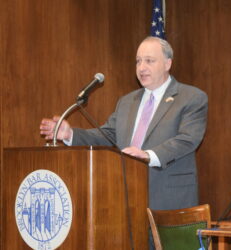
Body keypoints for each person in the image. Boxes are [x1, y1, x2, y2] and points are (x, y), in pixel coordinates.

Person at [40, 36, 208, 212]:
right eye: (138, 61)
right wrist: (70, 134)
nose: (142, 68)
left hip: (170, 202)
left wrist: (148, 155)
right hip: (127, 202)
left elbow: (188, 139)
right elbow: (107, 136)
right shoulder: (127, 102)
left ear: (167, 64)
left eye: (149, 61)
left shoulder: (191, 98)